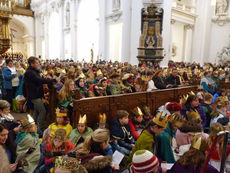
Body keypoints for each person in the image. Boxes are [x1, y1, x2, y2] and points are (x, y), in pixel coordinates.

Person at [24, 56, 59, 132]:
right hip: (34, 95)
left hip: (37, 94)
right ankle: (39, 129)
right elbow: (39, 80)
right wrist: (53, 80)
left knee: (36, 112)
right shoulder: (30, 72)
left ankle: (31, 126)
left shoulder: (34, 71)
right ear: (31, 64)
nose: (38, 64)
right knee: (43, 111)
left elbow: (39, 79)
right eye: (37, 63)